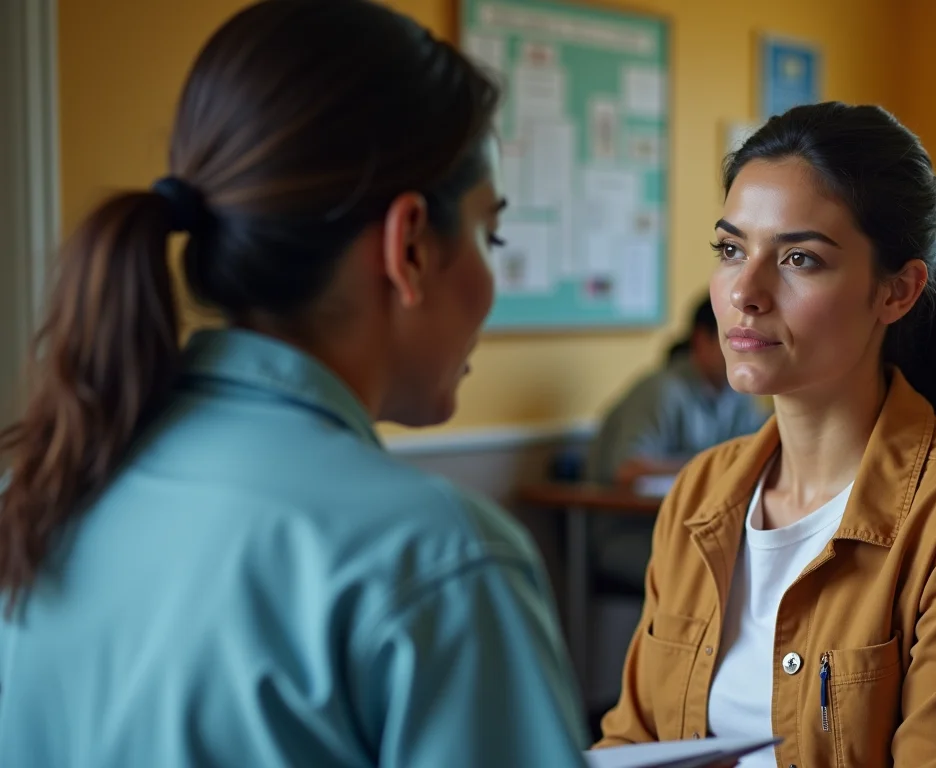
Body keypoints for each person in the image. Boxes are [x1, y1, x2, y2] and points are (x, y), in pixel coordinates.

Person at [0, 2, 585, 765]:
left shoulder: (39, 491)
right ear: (408, 246)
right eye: (490, 231)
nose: (491, 274)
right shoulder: (437, 558)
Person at [596, 102, 936, 767]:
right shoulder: (701, 494)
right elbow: (632, 740)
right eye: (732, 250)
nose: (746, 291)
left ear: (897, 292)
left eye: (799, 258)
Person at [586, 295, 767, 590]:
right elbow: (627, 471)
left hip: (703, 528)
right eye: (736, 340)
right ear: (701, 341)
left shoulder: (739, 396)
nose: (747, 352)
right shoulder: (662, 392)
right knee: (725, 567)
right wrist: (710, 466)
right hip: (634, 534)